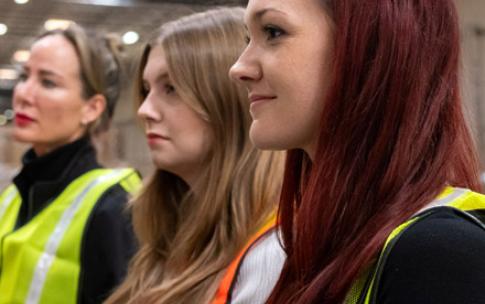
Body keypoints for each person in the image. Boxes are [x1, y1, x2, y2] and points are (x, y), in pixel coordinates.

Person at [230, 0, 485, 303]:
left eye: (273, 32)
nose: (239, 68)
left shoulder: (442, 254)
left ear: (372, 48)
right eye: (249, 39)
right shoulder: (297, 247)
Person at [105, 7, 285, 304]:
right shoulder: (165, 233)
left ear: (231, 98)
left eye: (171, 88)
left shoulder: (274, 250)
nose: (144, 110)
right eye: (147, 89)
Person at [0, 24, 141, 304]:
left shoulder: (113, 206)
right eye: (25, 76)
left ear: (92, 108)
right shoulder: (15, 195)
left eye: (48, 82)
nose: (23, 94)